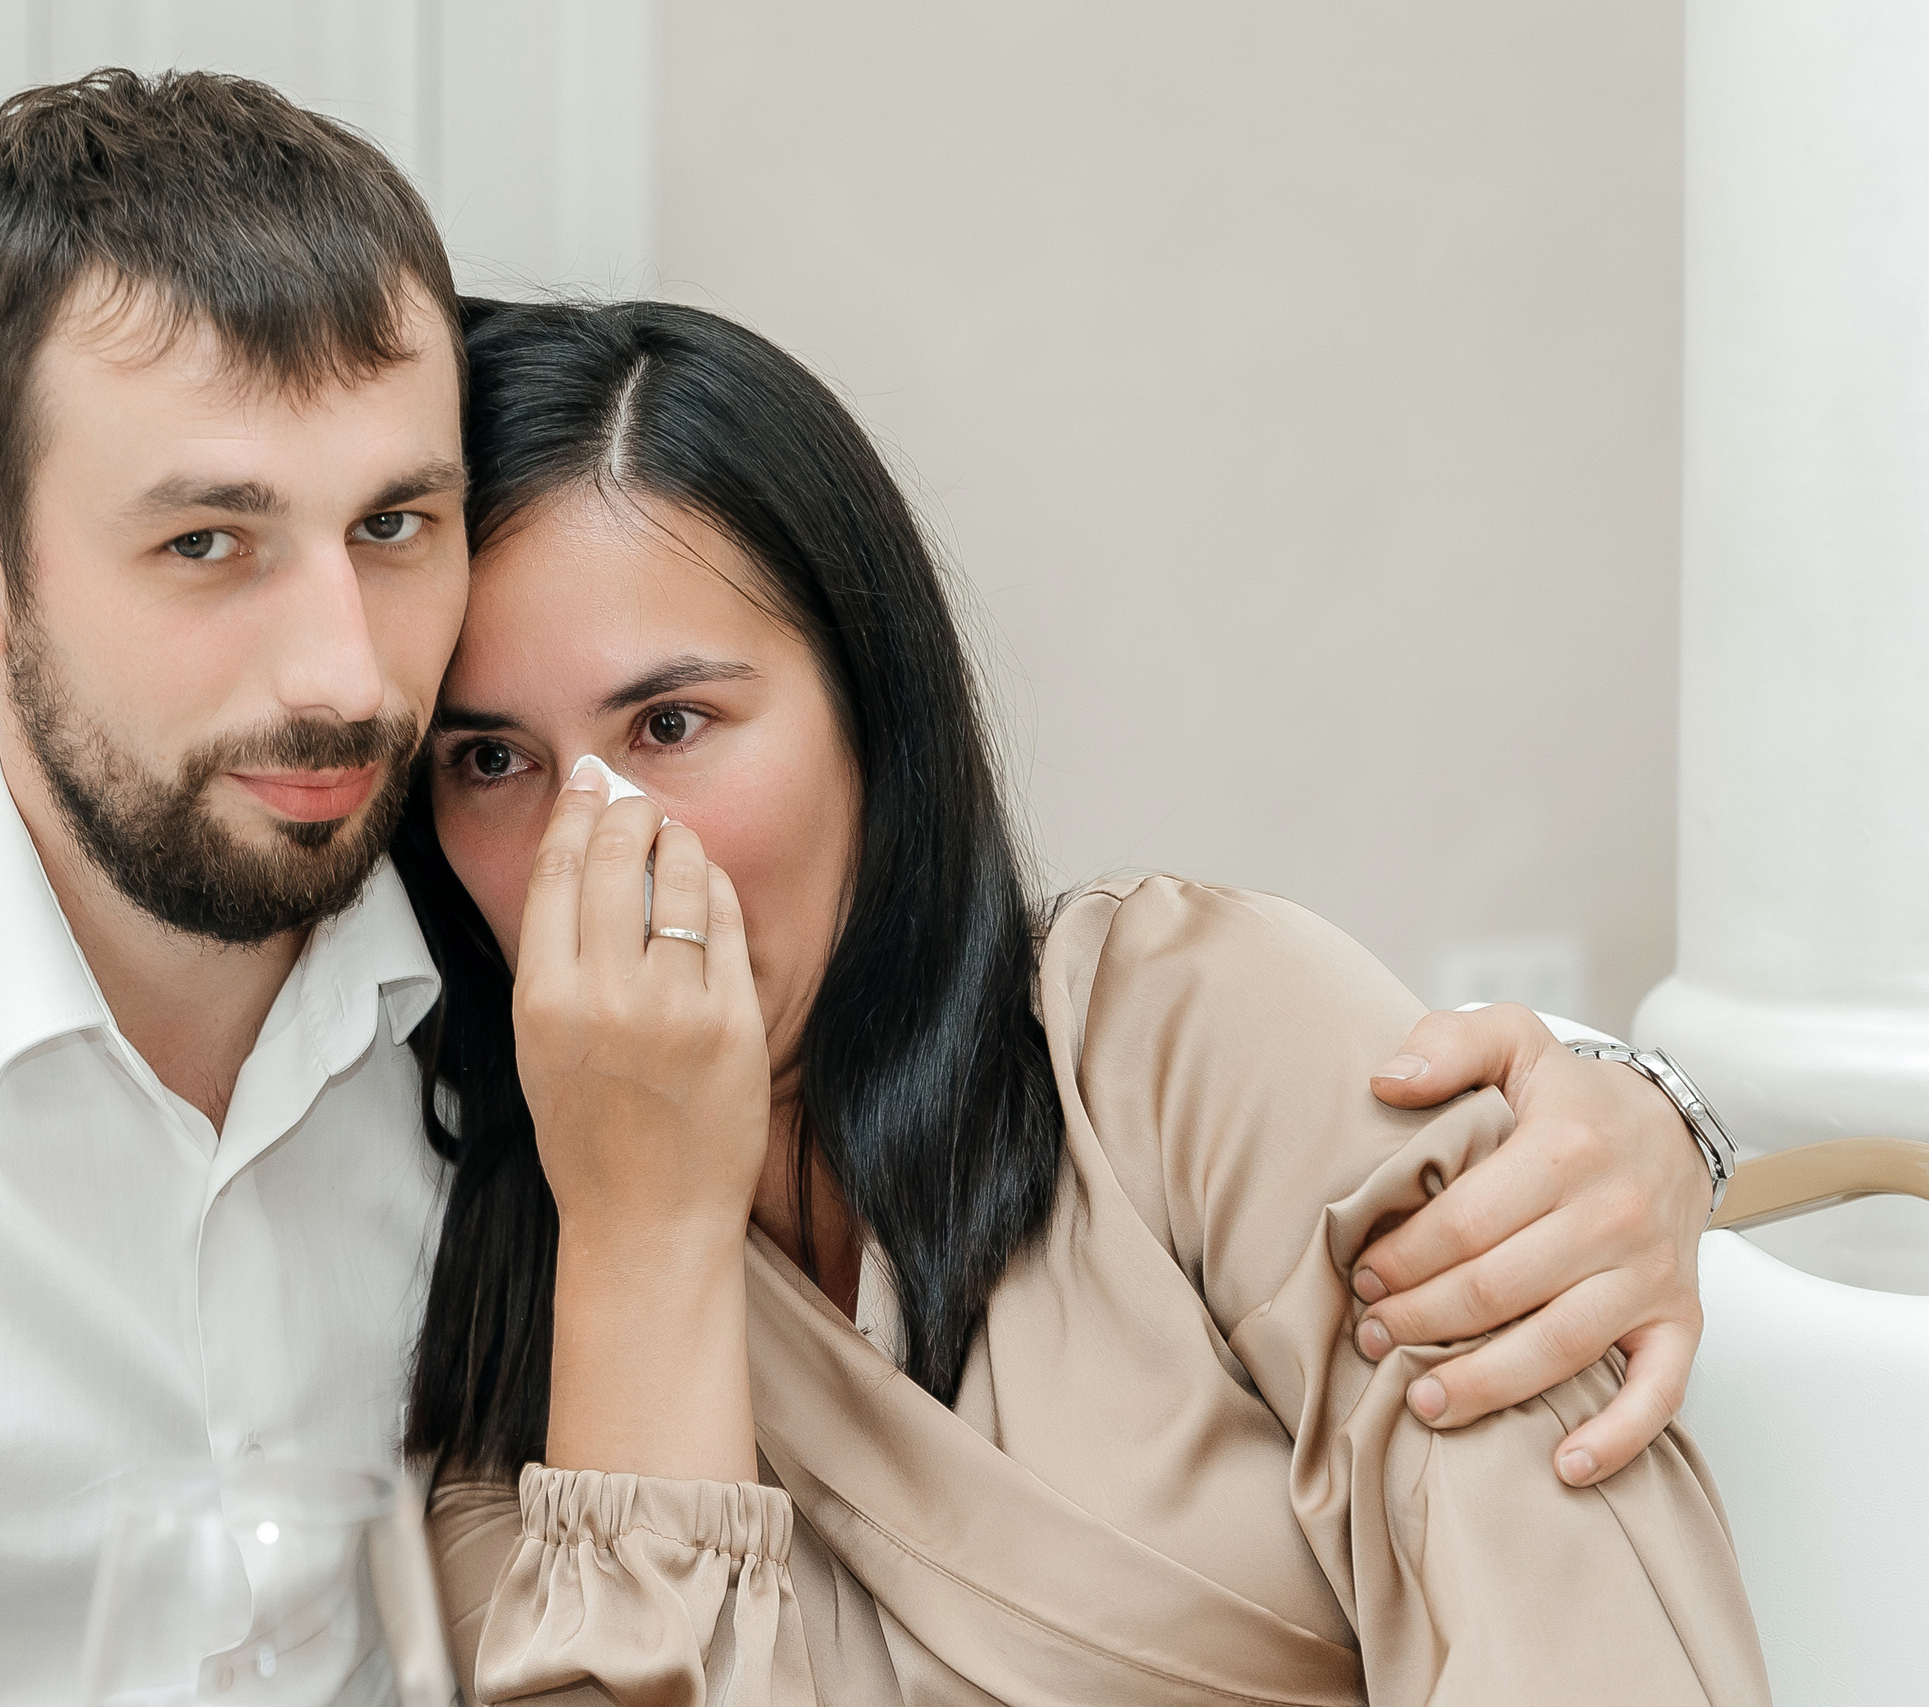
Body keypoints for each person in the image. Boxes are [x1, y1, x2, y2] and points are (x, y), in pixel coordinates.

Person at [0, 71, 1720, 1707]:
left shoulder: (1097, 1032)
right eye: (206, 542)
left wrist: (1646, 1111)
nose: (344, 673)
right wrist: (634, 1225)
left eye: (393, 524)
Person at [395, 300, 1769, 1703]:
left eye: (672, 727)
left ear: (874, 716)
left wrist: (1660, 1107)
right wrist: (645, 1238)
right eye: (492, 762)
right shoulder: (495, 1366)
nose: (595, 849)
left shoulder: (1193, 1038)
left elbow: (1579, 1624)